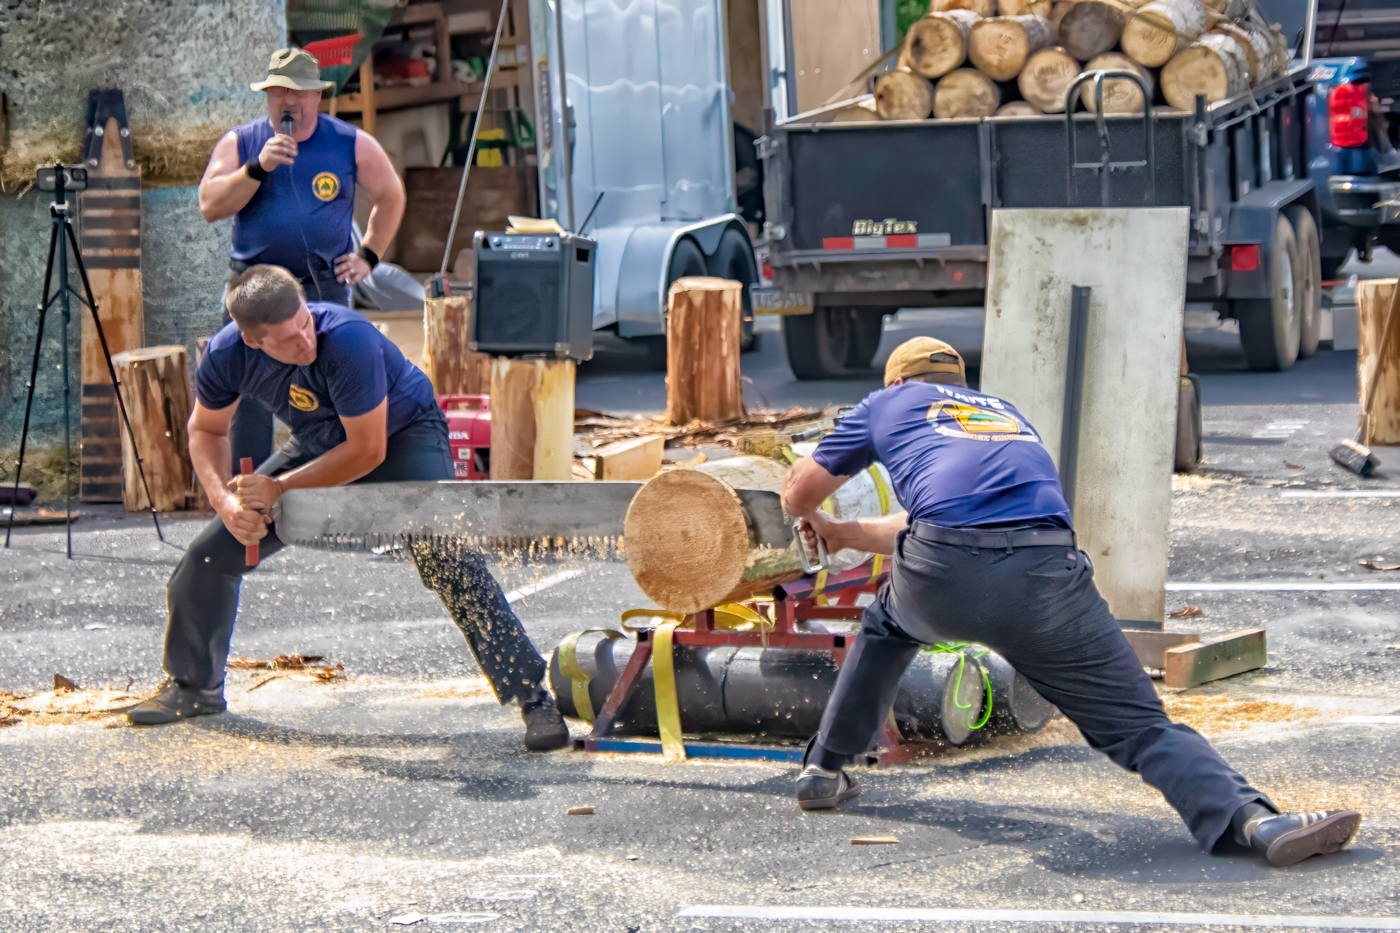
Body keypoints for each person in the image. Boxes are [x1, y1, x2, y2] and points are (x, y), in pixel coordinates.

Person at [781, 336, 1362, 868]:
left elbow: (799, 492)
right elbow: (963, 513)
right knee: (1139, 725)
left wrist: (814, 520)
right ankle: (1257, 822)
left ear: (896, 382)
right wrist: (847, 532)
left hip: (940, 572)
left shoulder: (888, 404)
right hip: (1042, 573)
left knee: (887, 624)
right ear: (962, 383)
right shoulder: (1001, 415)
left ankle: (823, 770)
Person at [126, 266, 570, 752]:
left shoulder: (347, 338)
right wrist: (226, 501)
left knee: (445, 556)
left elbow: (367, 452)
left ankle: (533, 696)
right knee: (209, 557)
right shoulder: (227, 356)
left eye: (305, 324)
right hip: (318, 442)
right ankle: (194, 689)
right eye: (289, 340)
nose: (305, 341)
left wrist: (279, 487)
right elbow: (206, 431)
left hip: (402, 437)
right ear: (254, 342)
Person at [198, 47, 406, 471]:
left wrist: (368, 254)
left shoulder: (349, 142)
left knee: (334, 389)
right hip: (257, 293)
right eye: (278, 91)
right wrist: (257, 167)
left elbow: (390, 195)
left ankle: (336, 481)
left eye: (298, 92)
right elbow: (210, 205)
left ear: (317, 97)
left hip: (321, 288)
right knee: (251, 393)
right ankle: (250, 488)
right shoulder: (242, 143)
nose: (287, 101)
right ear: (268, 96)